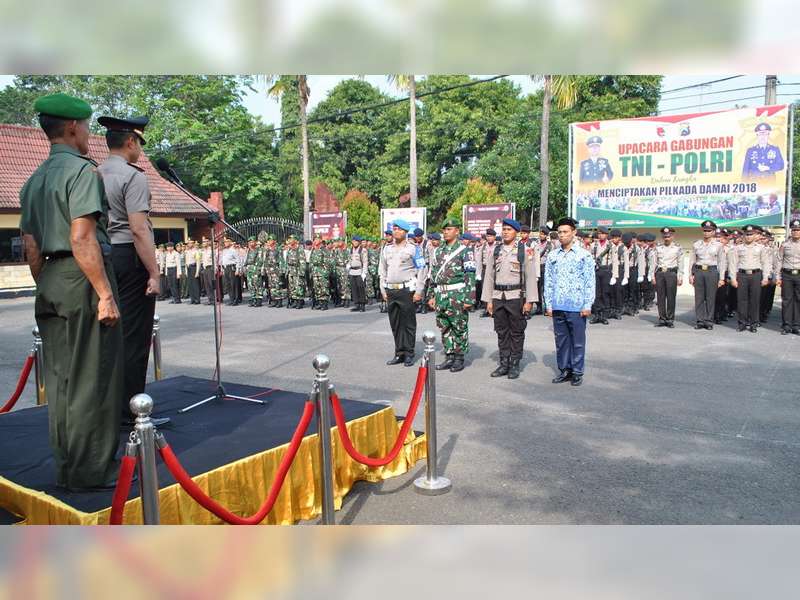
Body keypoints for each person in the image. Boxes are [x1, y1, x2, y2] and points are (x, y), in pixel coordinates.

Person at [19, 93, 124, 490]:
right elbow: (82, 238)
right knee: (92, 378)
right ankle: (91, 471)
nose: (88, 134)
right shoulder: (82, 172)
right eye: (86, 127)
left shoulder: (34, 179)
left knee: (61, 380)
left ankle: (67, 465)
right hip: (82, 278)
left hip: (49, 277)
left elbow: (30, 246)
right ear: (72, 127)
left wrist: (48, 284)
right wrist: (105, 295)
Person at [96, 114, 168, 427]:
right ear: (130, 142)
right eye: (139, 143)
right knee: (135, 337)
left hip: (103, 256)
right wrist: (154, 272)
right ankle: (132, 412)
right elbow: (139, 229)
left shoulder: (94, 173)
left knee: (110, 336)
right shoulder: (132, 176)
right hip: (129, 255)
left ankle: (109, 407)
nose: (140, 149)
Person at [481, 218, 538, 380]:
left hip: (516, 296)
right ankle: (504, 363)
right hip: (498, 296)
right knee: (501, 332)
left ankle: (514, 364)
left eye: (509, 229)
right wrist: (488, 300)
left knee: (516, 332)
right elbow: (489, 276)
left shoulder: (524, 250)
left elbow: (530, 277)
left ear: (516, 232)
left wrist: (530, 301)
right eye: (504, 229)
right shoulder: (496, 250)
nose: (505, 232)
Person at [543, 217, 595, 387]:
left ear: (574, 232)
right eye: (559, 232)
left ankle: (577, 371)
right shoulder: (553, 255)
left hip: (577, 306)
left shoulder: (584, 255)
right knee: (561, 341)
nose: (562, 235)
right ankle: (565, 370)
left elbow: (589, 281)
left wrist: (587, 304)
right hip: (558, 304)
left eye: (565, 232)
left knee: (577, 341)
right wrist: (548, 304)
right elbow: (548, 281)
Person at [427, 218, 477, 373]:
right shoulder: (438, 251)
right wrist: (431, 295)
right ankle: (449, 356)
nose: (446, 232)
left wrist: (469, 298)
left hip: (457, 294)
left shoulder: (465, 251)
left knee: (459, 326)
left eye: (449, 229)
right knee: (444, 326)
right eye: (444, 229)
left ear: (457, 231)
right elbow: (433, 275)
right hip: (441, 294)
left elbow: (470, 275)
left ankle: (459, 358)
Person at [379, 219, 426, 366]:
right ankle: (399, 353)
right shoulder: (387, 249)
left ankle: (409, 353)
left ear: (405, 232)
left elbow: (422, 269)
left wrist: (419, 291)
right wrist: (383, 289)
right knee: (396, 324)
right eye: (394, 229)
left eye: (399, 229)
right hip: (391, 290)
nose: (396, 231)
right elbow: (382, 270)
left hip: (407, 290)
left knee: (408, 323)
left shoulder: (414, 248)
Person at [730, 224, 771, 332]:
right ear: (744, 235)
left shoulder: (761, 248)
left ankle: (753, 324)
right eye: (747, 234)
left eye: (751, 234)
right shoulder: (738, 248)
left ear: (755, 235)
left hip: (756, 275)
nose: (748, 236)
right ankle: (742, 323)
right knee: (741, 300)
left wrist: (765, 277)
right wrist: (733, 278)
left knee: (755, 300)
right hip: (742, 275)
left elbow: (765, 263)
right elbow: (733, 264)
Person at [688, 220, 726, 330]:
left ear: (713, 232)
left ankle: (709, 321)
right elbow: (692, 260)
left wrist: (722, 278)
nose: (706, 233)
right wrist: (691, 275)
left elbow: (722, 262)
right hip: (699, 271)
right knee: (699, 297)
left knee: (710, 297)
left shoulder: (718, 245)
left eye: (709, 231)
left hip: (712, 272)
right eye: (705, 230)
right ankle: (700, 321)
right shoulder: (696, 244)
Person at [653, 227, 683, 328]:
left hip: (671, 273)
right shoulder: (658, 248)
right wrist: (652, 276)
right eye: (665, 236)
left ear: (672, 236)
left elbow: (680, 263)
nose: (666, 238)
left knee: (671, 297)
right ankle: (662, 319)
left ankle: (670, 319)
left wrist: (680, 276)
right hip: (660, 273)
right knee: (660, 298)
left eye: (669, 236)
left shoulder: (677, 248)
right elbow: (654, 262)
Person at [776, 218, 800, 334]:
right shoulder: (785, 244)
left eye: (798, 230)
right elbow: (779, 260)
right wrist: (777, 277)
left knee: (798, 300)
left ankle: (796, 325)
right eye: (794, 230)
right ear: (791, 231)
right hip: (787, 275)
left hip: (799, 274)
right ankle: (786, 325)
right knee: (786, 300)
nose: (796, 232)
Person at [348, 235, 368, 312]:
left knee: (361, 288)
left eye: (356, 241)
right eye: (354, 241)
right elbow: (349, 259)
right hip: (352, 271)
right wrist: (348, 265)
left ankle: (362, 305)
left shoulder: (363, 250)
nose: (355, 242)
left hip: (360, 271)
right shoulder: (350, 250)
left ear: (359, 242)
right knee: (354, 289)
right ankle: (356, 304)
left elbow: (365, 262)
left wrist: (364, 272)